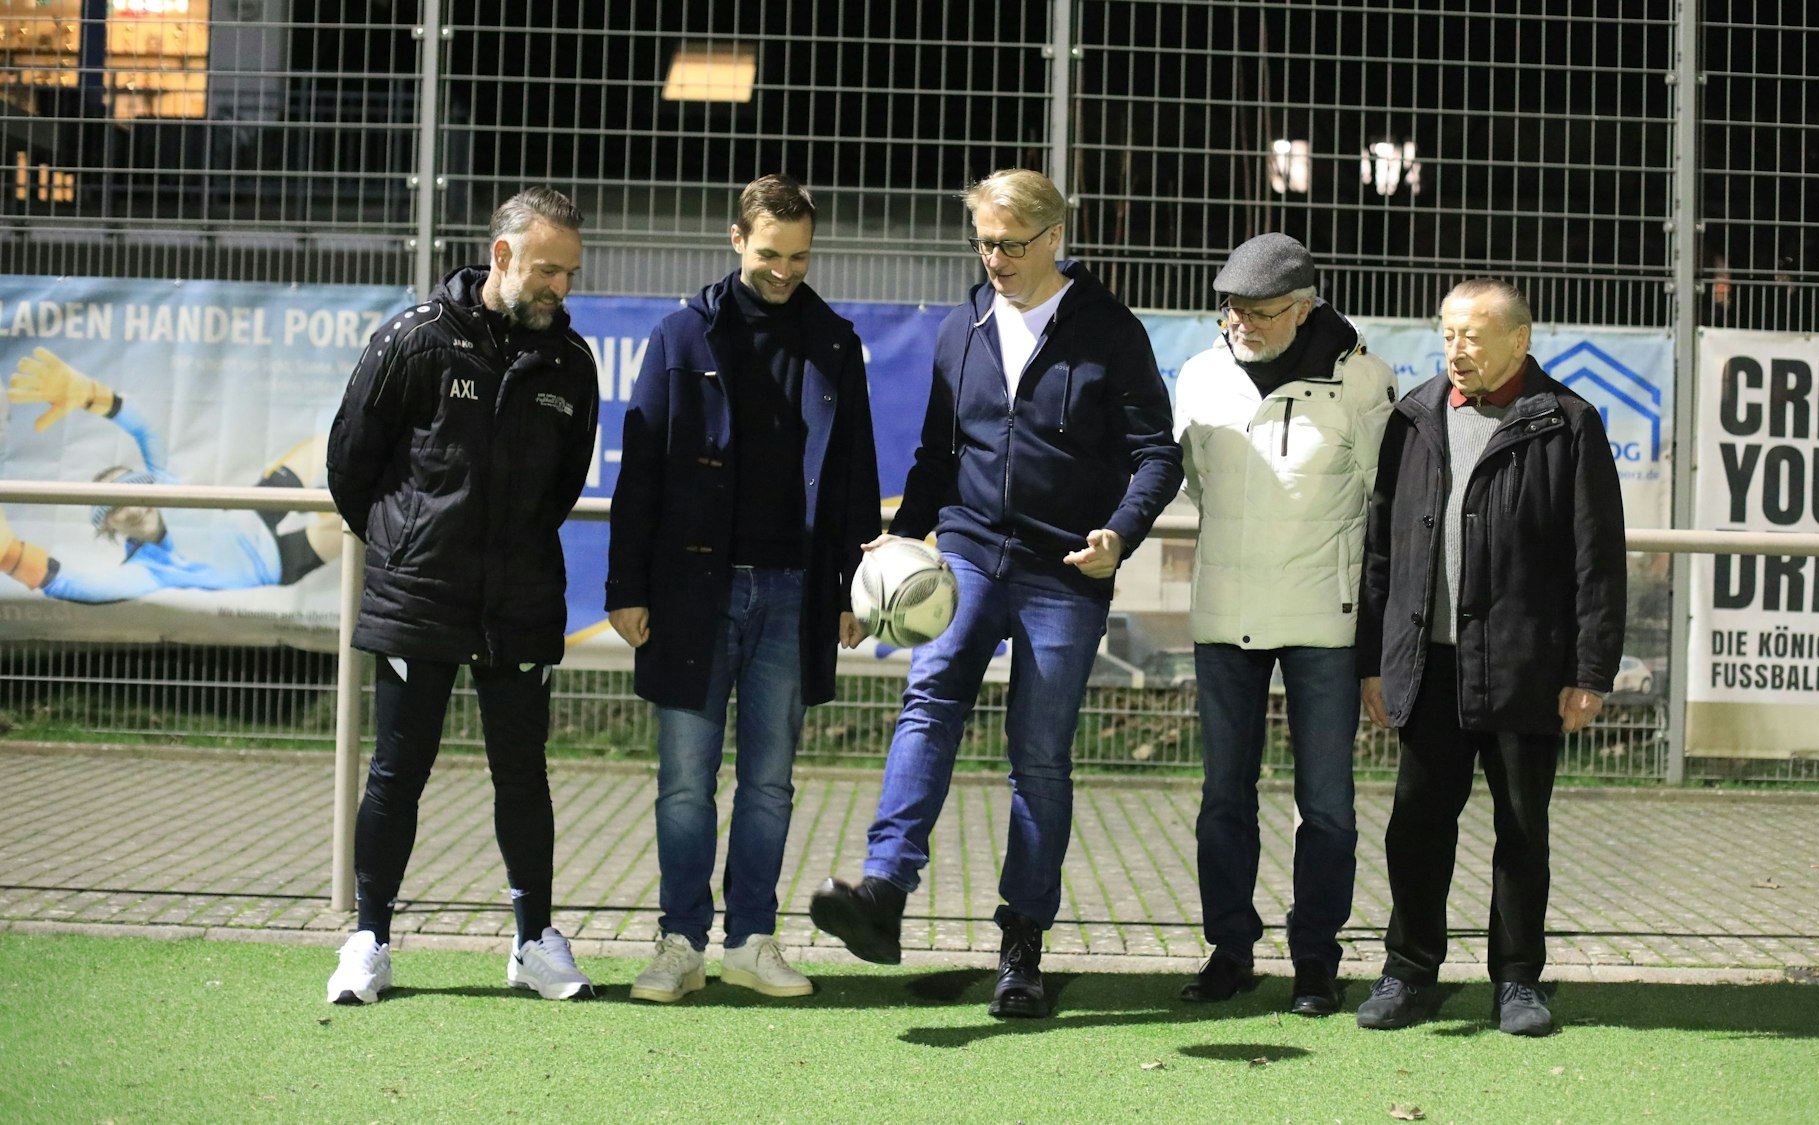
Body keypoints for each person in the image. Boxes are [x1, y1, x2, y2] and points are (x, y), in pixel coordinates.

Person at [810, 168, 1182, 1019]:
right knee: (931, 690)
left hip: (1067, 570)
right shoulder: (964, 326)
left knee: (1039, 757)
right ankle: (884, 888)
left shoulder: (1111, 330)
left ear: (1055, 237)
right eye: (984, 244)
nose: (996, 259)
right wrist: (902, 539)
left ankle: (1023, 941)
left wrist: (1118, 532)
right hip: (971, 549)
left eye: (1012, 244)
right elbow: (937, 458)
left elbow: (1157, 455)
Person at [321, 186, 600, 1005]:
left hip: (522, 599)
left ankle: (534, 942)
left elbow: (561, 485)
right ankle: (368, 940)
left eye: (571, 273)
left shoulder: (572, 362)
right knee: (396, 771)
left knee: (524, 776)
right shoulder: (414, 339)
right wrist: (408, 547)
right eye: (547, 270)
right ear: (502, 255)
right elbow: (351, 467)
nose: (560, 287)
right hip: (419, 595)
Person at [605, 174, 880, 1003]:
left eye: (799, 257)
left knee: (769, 782)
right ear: (736, 240)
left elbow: (854, 477)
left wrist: (855, 589)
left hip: (796, 593)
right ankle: (680, 942)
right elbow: (640, 470)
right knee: (685, 780)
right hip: (693, 591)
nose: (784, 271)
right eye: (769, 255)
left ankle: (751, 940)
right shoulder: (680, 335)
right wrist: (626, 584)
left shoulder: (835, 342)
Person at [1355, 278, 1625, 1037]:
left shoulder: (1568, 422)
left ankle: (1517, 980)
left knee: (1522, 830)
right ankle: (1409, 971)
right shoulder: (1414, 418)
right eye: (1448, 334)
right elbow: (1382, 548)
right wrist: (1373, 659)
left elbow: (1597, 559)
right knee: (1416, 826)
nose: (1457, 349)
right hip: (1429, 666)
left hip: (1524, 666)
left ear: (1519, 339)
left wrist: (1589, 671)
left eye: (1473, 335)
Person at [1170, 234, 1396, 1015]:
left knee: (1326, 803)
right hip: (1224, 612)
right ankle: (1229, 949)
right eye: (1233, 308)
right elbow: (1195, 483)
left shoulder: (1364, 380)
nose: (1243, 324)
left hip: (1324, 621)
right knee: (1222, 797)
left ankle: (1315, 958)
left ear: (1304, 308)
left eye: (1262, 311)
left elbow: (1383, 505)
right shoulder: (1198, 375)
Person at [1, 348, 341, 601]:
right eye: (114, 506)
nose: (131, 507)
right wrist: (12, 556)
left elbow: (145, 429)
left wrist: (91, 395)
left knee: (330, 445)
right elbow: (81, 586)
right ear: (109, 527)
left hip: (255, 508)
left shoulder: (166, 487)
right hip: (279, 561)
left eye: (134, 489)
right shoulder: (149, 570)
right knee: (352, 517)